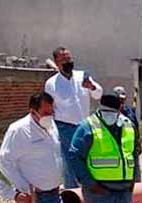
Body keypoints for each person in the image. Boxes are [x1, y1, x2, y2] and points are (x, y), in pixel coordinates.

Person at [44, 46, 103, 189]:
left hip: (85, 125)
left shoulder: (83, 76)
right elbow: (49, 108)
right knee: (70, 161)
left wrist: (92, 87)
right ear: (57, 63)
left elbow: (98, 94)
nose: (68, 61)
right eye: (64, 59)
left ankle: (90, 189)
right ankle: (73, 193)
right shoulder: (51, 84)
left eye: (69, 58)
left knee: (88, 157)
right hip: (65, 127)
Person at [113, 86, 142, 182]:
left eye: (122, 99)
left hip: (132, 147)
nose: (121, 101)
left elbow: (135, 127)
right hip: (118, 148)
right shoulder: (110, 113)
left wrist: (138, 143)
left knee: (135, 171)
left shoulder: (129, 111)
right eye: (119, 99)